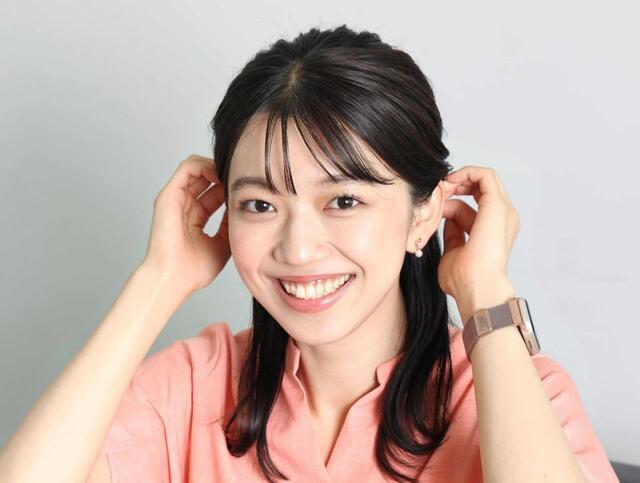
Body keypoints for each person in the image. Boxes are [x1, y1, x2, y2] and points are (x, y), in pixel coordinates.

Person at [0, 25, 618, 483]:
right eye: (260, 204)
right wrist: (158, 280)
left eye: (344, 201)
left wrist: (486, 296)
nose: (297, 249)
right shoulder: (192, 386)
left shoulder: (514, 389)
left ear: (423, 215)